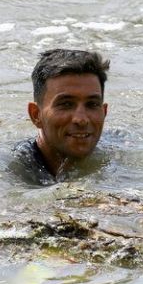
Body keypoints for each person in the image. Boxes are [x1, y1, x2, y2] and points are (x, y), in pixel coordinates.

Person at [12, 49, 110, 185]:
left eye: (92, 104)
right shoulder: (14, 170)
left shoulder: (118, 156)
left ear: (104, 112)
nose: (81, 120)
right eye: (66, 104)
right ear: (36, 115)